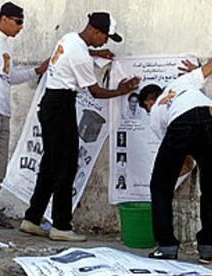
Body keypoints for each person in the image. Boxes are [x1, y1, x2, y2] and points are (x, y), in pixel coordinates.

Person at [20, 12, 140, 241]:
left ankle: (32, 218)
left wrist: (97, 52)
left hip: (51, 104)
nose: (105, 42)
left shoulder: (69, 39)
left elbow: (79, 53)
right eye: (105, 37)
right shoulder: (81, 57)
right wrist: (122, 91)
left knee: (50, 164)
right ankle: (61, 226)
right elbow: (95, 91)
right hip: (61, 107)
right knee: (66, 167)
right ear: (95, 31)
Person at [138, 56, 212, 263]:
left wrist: (169, 177)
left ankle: (167, 245)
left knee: (159, 186)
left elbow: (181, 160)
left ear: (149, 101)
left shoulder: (156, 113)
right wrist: (199, 69)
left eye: (146, 107)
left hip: (181, 122)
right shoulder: (184, 81)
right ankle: (207, 248)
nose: (149, 110)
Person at [0, 1, 49, 229]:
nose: (21, 27)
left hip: (2, 111)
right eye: (18, 22)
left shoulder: (4, 45)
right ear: (4, 19)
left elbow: (8, 76)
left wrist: (36, 71)